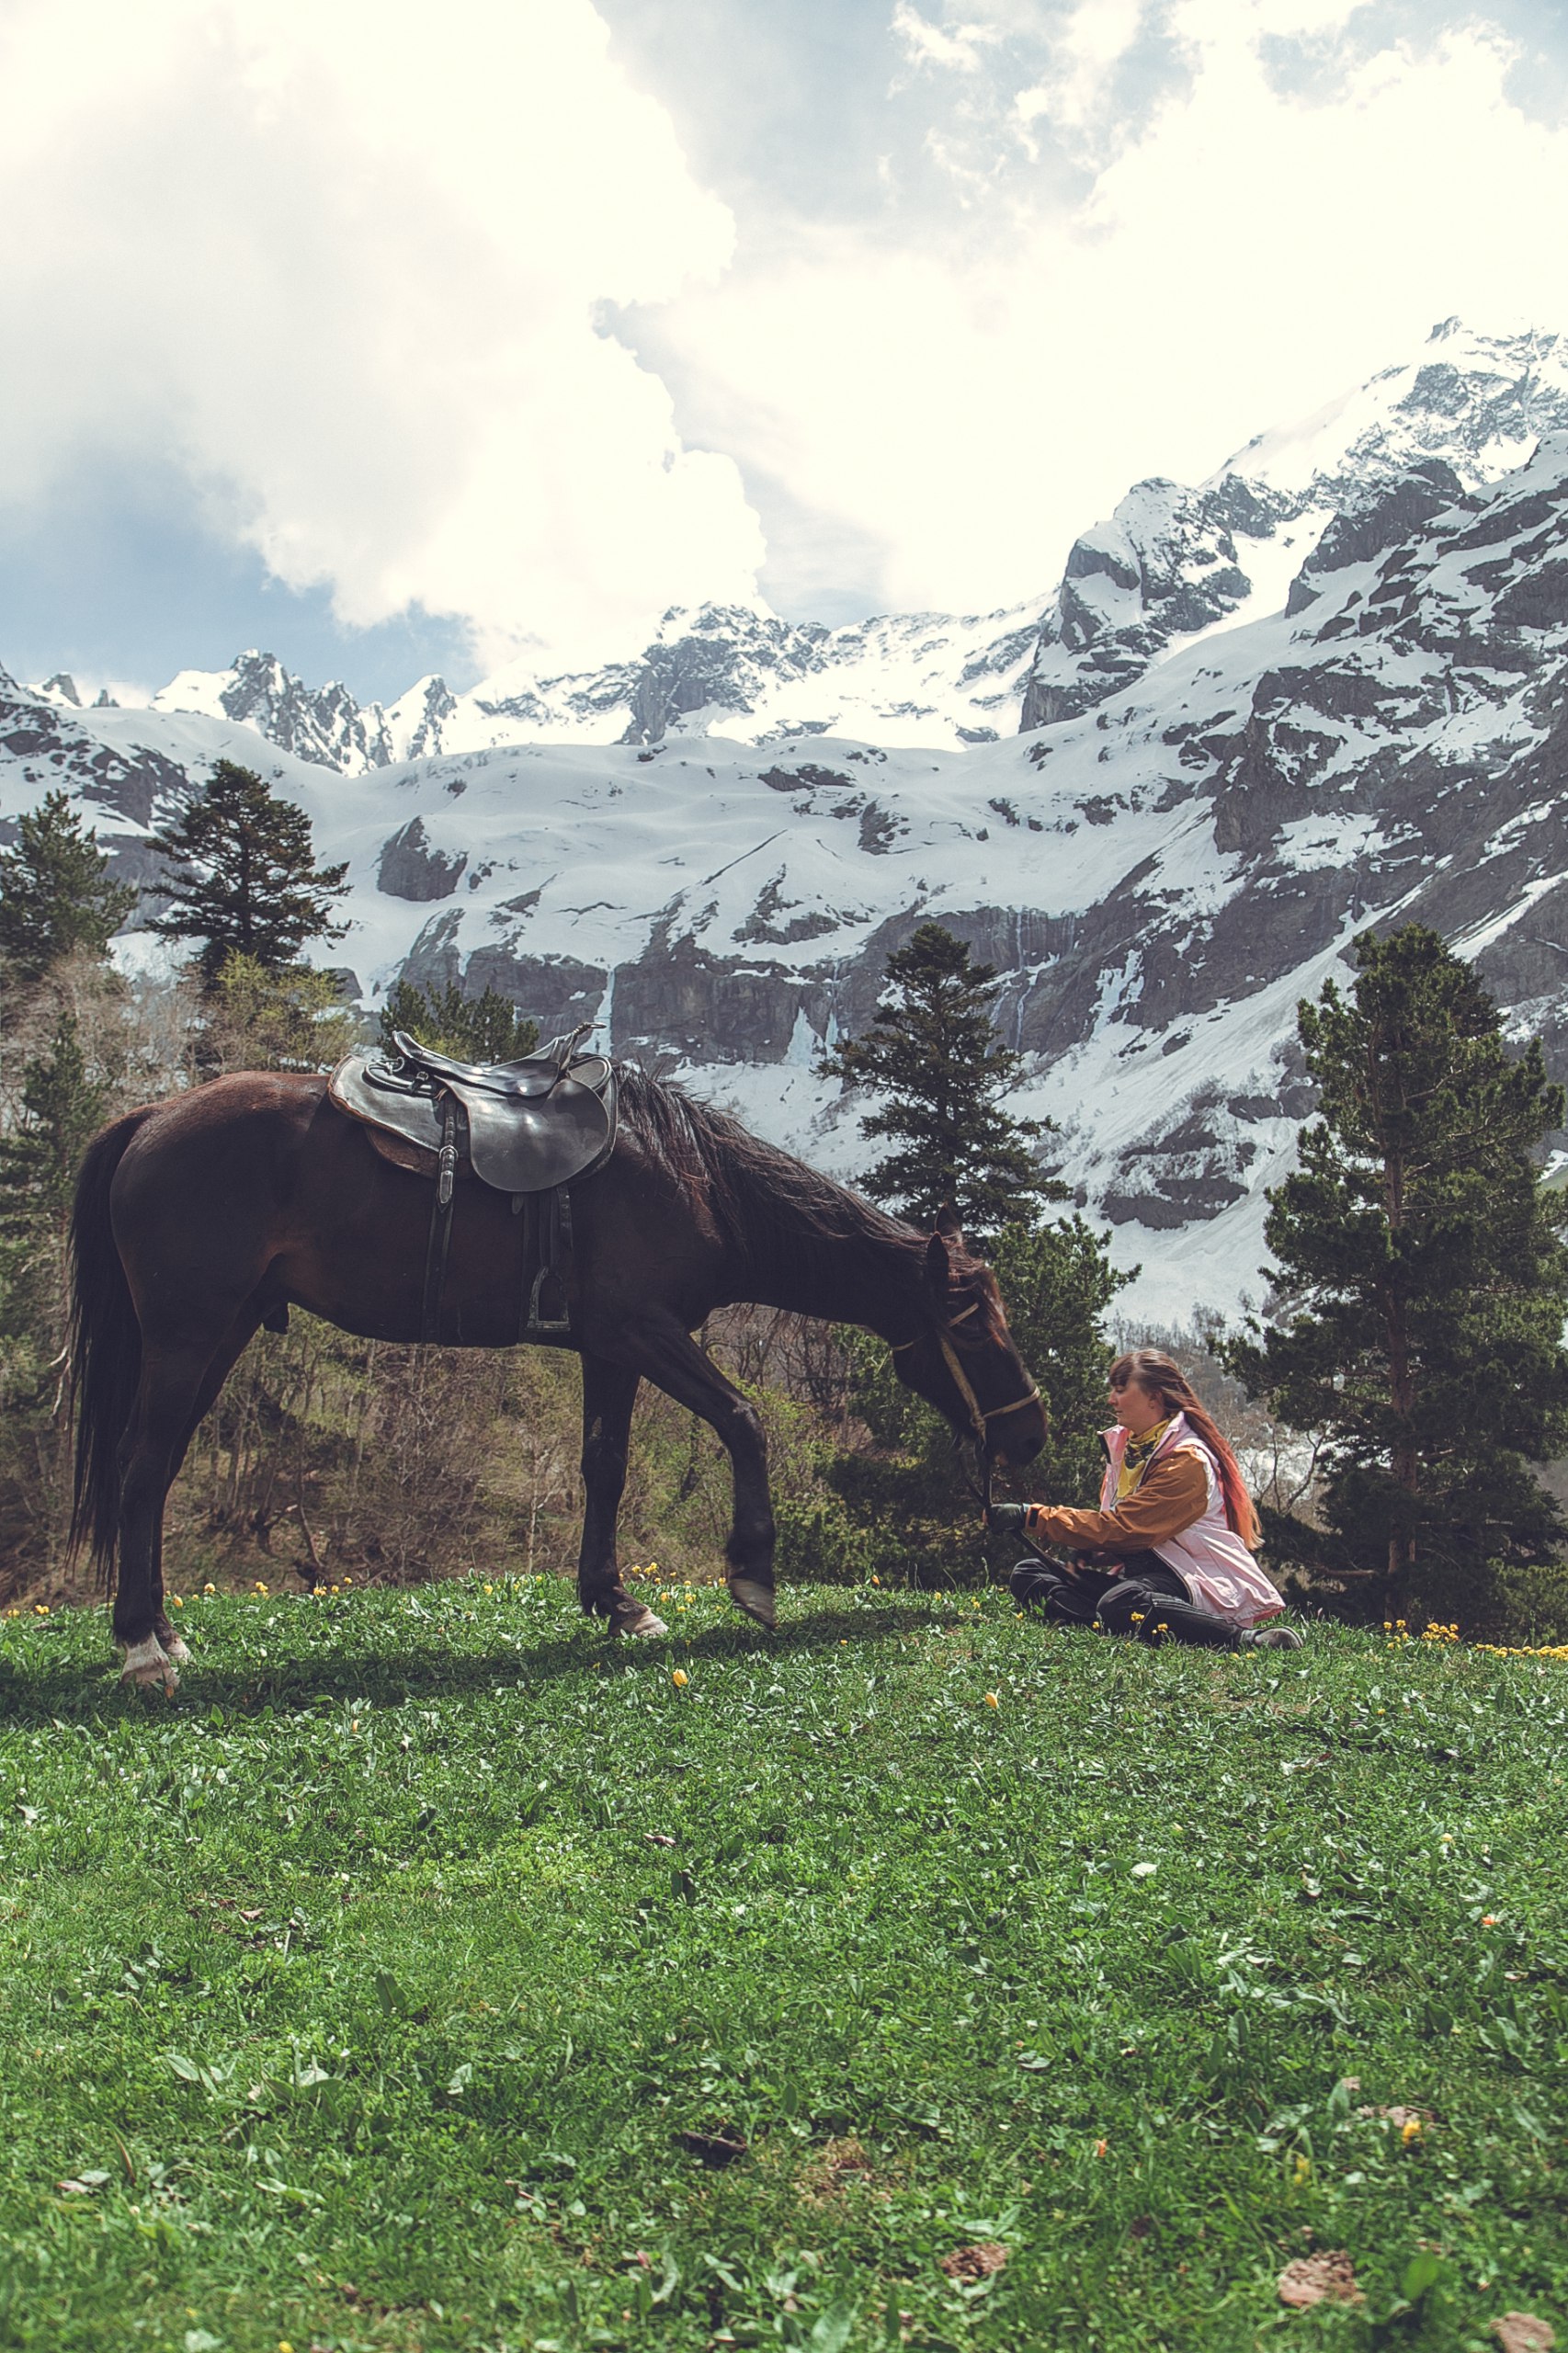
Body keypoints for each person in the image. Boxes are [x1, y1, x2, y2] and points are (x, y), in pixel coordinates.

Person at [990, 1347, 1301, 1651]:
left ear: (1155, 1397)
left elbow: (1126, 1528)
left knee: (1122, 1602)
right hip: (1144, 1580)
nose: (1111, 1399)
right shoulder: (1127, 1450)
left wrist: (1032, 1516)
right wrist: (1091, 1552)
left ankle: (1241, 1639)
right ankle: (1111, 1622)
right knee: (1030, 1572)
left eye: (1121, 1389)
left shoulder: (1187, 1462)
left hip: (1192, 1582)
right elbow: (1131, 1536)